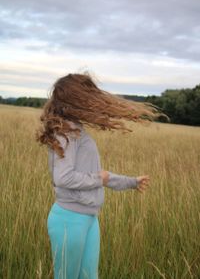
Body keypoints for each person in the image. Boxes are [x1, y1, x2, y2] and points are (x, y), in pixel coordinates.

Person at [35, 72, 167, 279]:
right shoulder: (65, 133)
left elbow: (97, 174)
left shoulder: (75, 129)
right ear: (75, 99)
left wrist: (131, 182)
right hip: (70, 220)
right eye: (87, 94)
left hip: (88, 218)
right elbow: (64, 178)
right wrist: (100, 179)